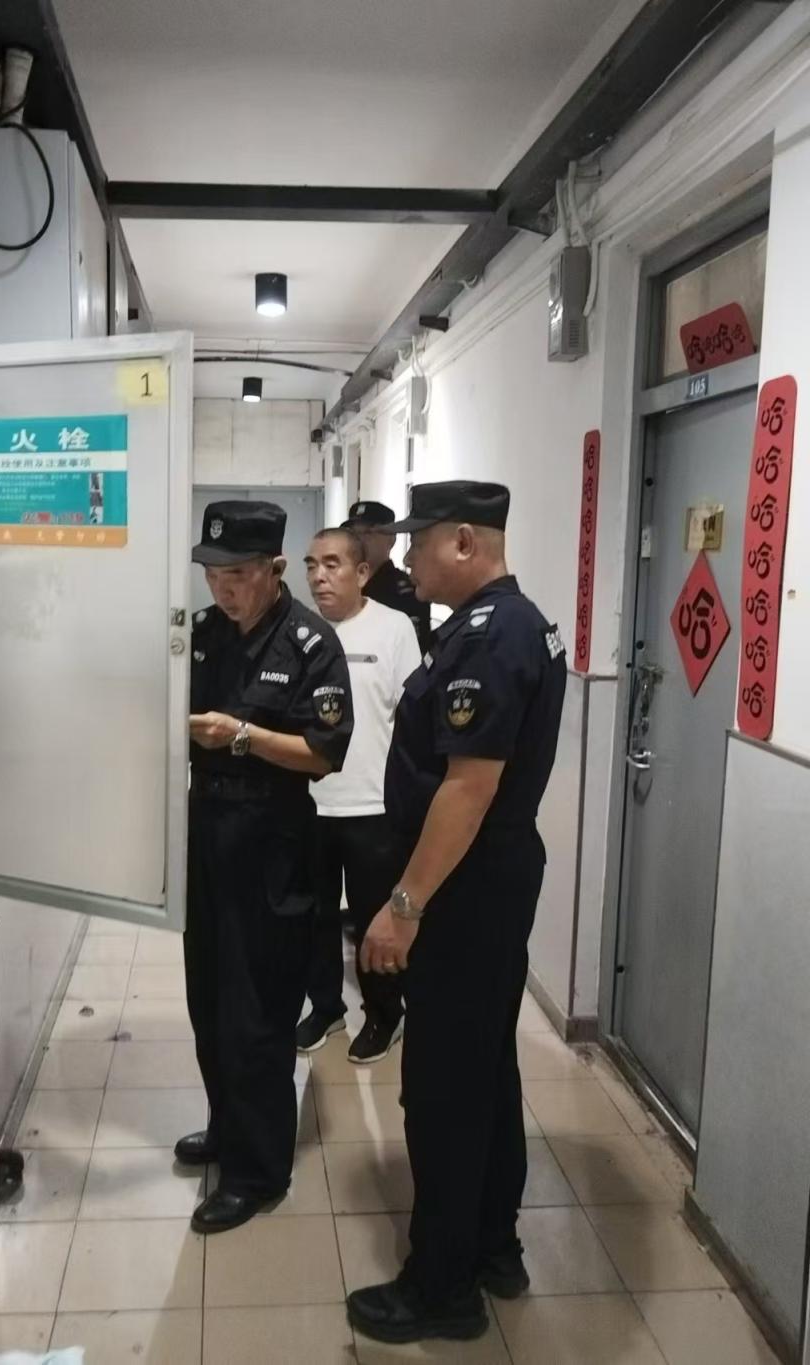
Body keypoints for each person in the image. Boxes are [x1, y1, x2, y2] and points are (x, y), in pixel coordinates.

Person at [345, 480, 567, 1345]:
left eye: (420, 540)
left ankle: (442, 1286)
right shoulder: (509, 624)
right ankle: (494, 1245)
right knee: (486, 1070)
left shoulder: (490, 635)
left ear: (466, 541)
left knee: (442, 1086)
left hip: (463, 890)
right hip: (488, 882)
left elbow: (467, 790)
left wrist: (403, 906)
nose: (405, 557)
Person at [179, 499, 353, 1234]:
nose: (224, 589)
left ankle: (258, 1171)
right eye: (213, 574)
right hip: (206, 830)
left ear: (276, 568)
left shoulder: (311, 642)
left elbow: (324, 753)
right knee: (209, 998)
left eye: (239, 575)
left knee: (258, 1010)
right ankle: (228, 1127)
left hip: (274, 837)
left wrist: (242, 736)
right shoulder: (200, 635)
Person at [296, 527, 421, 1063]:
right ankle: (325, 1008)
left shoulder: (394, 629)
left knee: (375, 919)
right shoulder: (300, 631)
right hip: (311, 803)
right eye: (311, 565)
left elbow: (413, 721)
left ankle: (385, 1014)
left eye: (332, 564)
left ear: (362, 572)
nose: (319, 577)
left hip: (374, 806)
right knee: (314, 915)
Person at [344, 500, 432, 650]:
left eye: (368, 533)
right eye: (354, 534)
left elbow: (415, 648)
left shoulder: (406, 591)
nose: (359, 540)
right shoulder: (345, 584)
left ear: (391, 539)